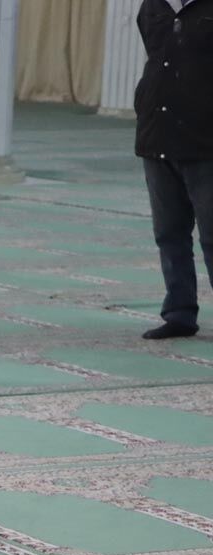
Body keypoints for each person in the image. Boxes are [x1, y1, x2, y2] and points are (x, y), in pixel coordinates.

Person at [134, 0, 213, 340]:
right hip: (158, 137)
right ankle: (179, 313)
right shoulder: (153, 5)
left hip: (205, 142)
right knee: (169, 233)